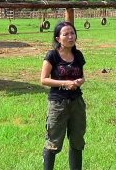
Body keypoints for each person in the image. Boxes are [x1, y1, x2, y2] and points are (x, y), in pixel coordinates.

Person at [40, 21, 86, 170]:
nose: (70, 37)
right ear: (58, 38)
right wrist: (65, 83)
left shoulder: (78, 55)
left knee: (77, 142)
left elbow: (82, 76)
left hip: (77, 103)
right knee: (53, 142)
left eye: (72, 33)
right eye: (66, 34)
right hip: (58, 104)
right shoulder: (52, 55)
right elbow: (43, 79)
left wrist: (79, 81)